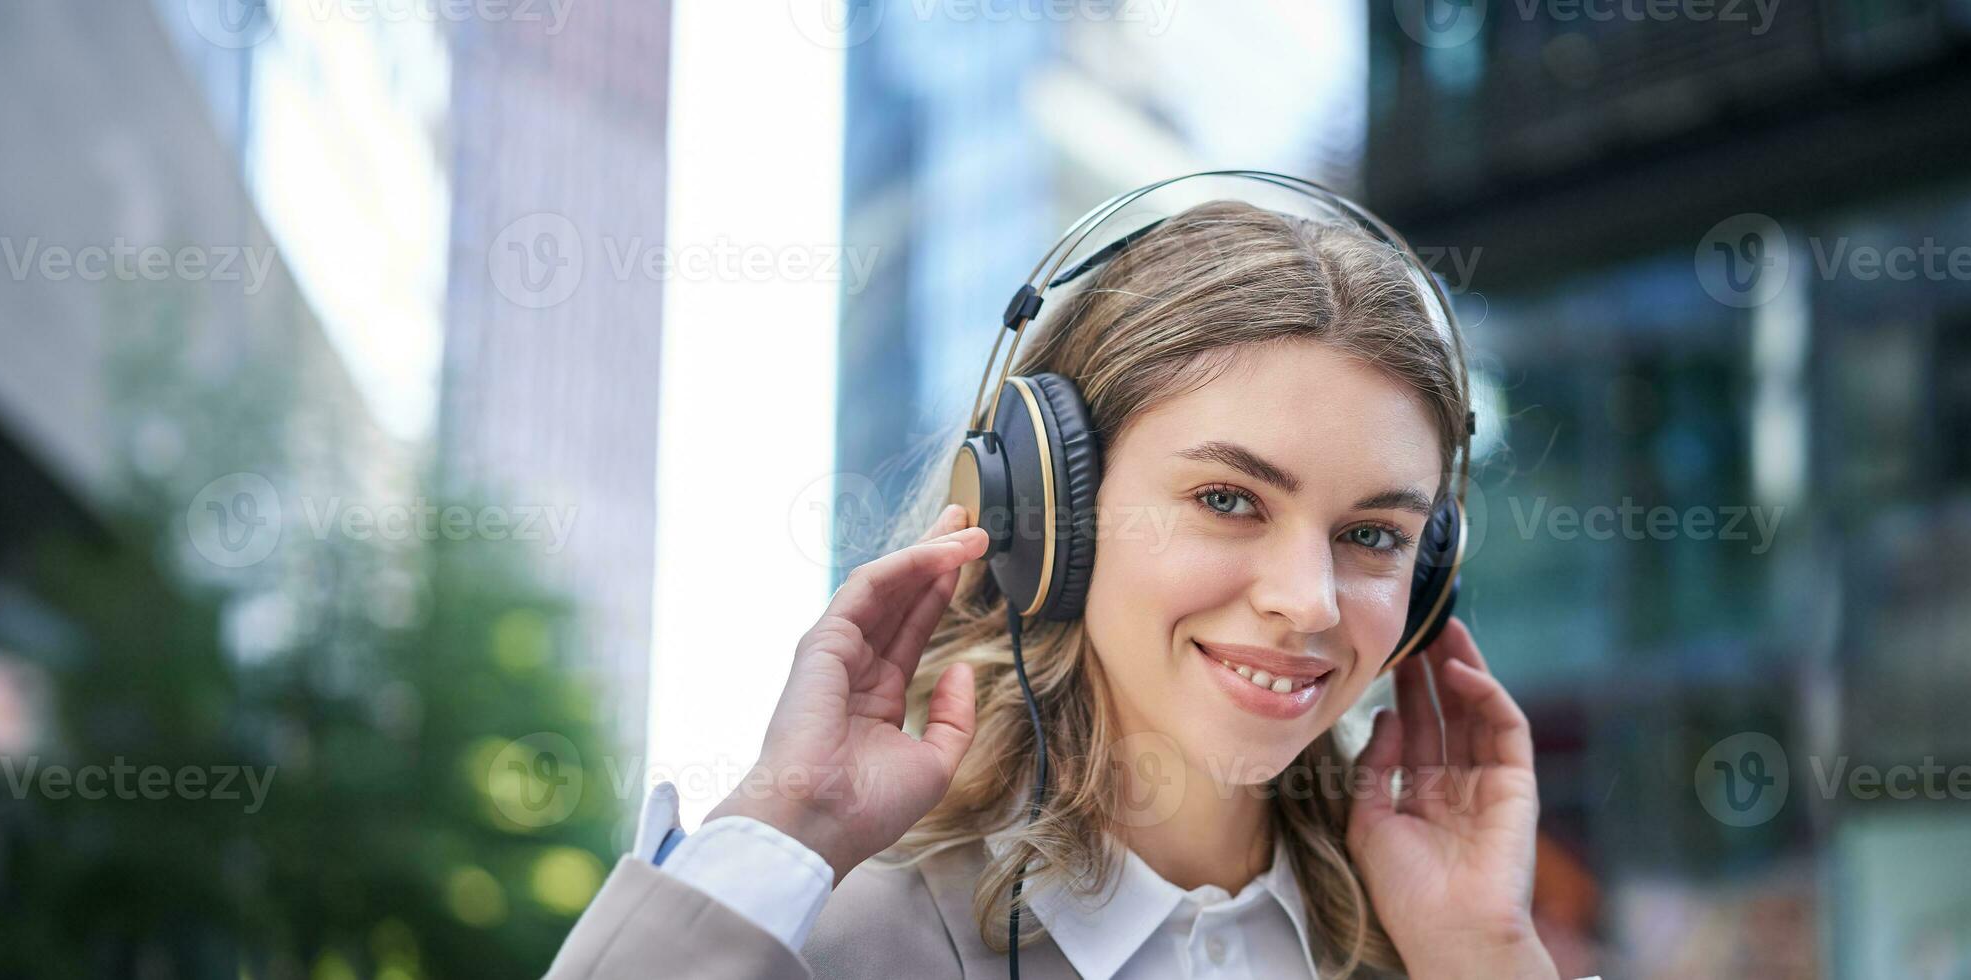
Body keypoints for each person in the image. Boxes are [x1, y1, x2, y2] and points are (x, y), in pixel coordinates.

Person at [546, 195, 1572, 979]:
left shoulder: (1431, 947)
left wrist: (1488, 951)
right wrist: (786, 818)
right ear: (1047, 510)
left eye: (1373, 534)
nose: (1307, 601)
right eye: (1227, 498)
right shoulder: (831, 937)